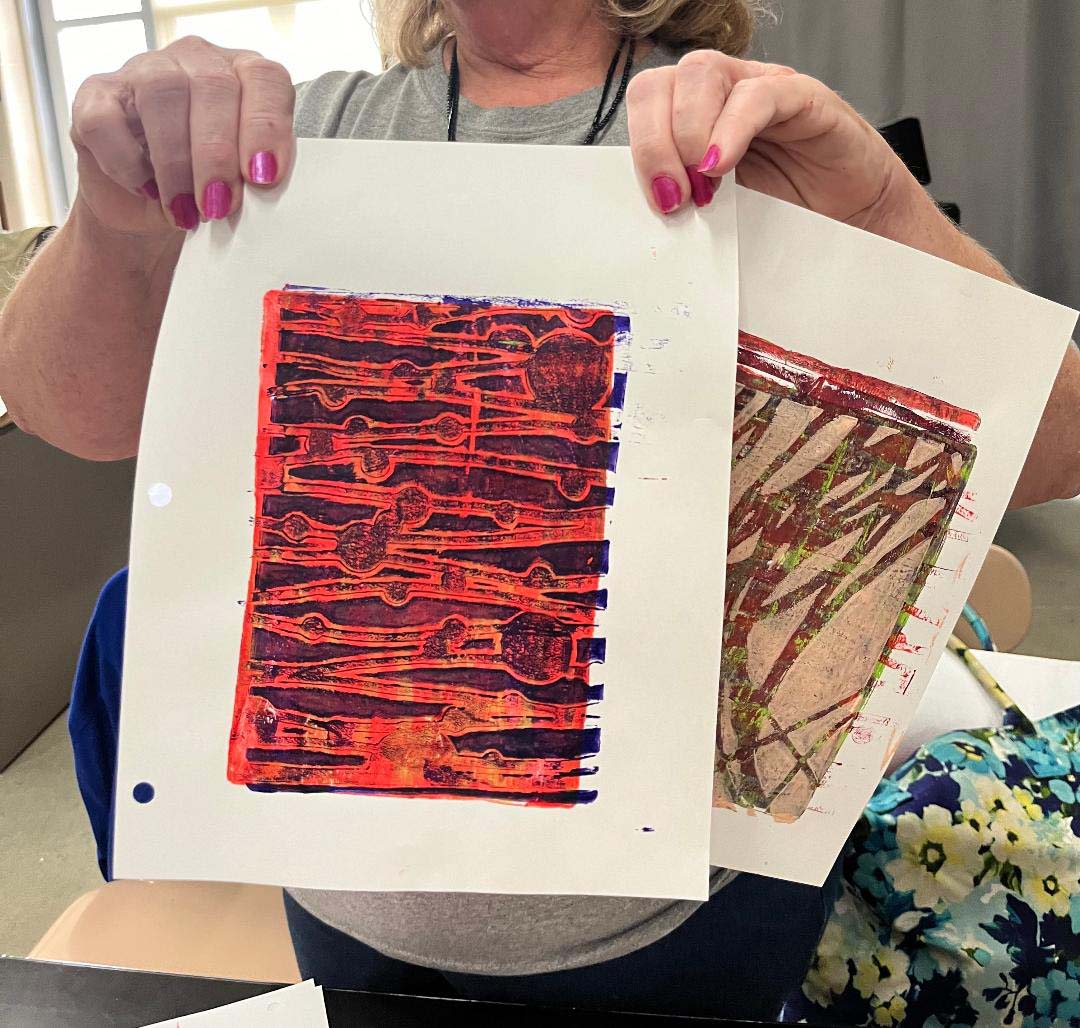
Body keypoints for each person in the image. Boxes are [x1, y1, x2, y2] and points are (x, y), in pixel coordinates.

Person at [2, 0, 1078, 1019]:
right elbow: (69, 410)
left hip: (688, 912)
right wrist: (112, 217)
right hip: (351, 904)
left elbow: (1054, 447)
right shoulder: (300, 137)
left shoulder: (742, 136)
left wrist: (881, 213)